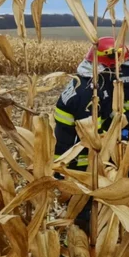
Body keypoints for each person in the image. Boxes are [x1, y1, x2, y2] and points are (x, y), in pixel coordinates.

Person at [54, 36, 119, 170]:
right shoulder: (90, 92)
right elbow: (91, 133)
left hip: (67, 146)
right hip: (77, 159)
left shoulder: (84, 80)